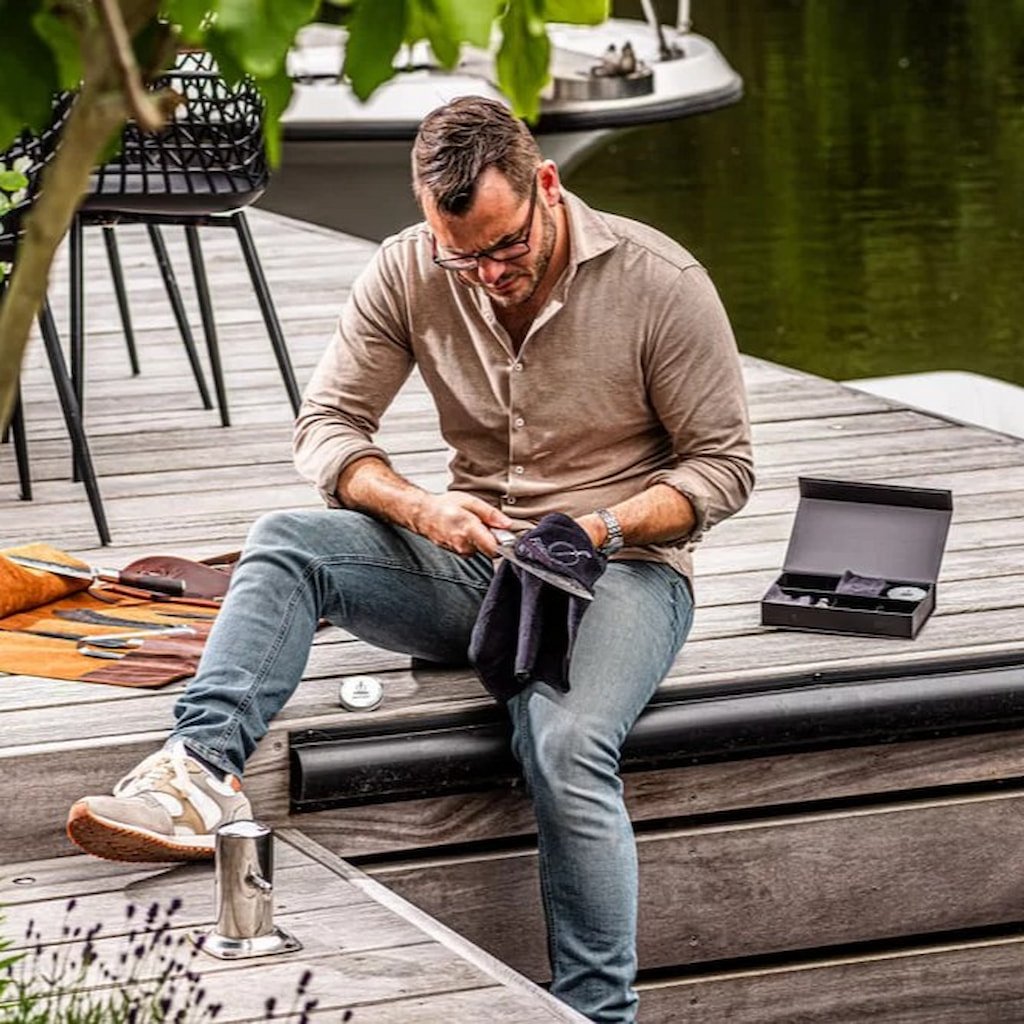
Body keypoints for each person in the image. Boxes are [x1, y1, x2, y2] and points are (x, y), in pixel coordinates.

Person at [67, 96, 753, 1023]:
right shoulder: (408, 267)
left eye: (505, 247)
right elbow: (327, 428)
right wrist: (419, 506)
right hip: (477, 564)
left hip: (622, 569)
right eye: (461, 256)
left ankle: (596, 1015)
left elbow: (723, 469)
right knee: (286, 541)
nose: (488, 274)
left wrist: (596, 528)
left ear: (548, 187)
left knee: (562, 743)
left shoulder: (660, 281)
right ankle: (197, 769)